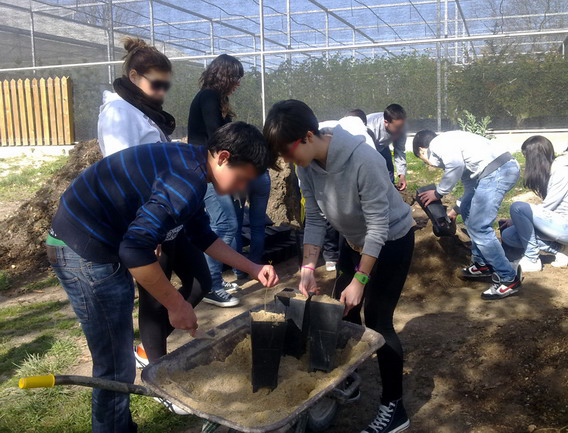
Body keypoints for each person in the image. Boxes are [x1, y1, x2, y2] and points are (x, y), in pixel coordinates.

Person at [47, 121, 279, 433]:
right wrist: (175, 304)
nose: (241, 189)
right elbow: (134, 250)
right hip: (82, 248)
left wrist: (251, 267)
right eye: (241, 179)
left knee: (117, 361)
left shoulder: (195, 166)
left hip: (100, 241)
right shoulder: (186, 181)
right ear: (223, 156)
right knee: (114, 366)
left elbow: (201, 235)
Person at [264, 100, 415, 433]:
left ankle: (395, 409)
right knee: (344, 312)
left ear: (307, 136)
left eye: (288, 153)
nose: (288, 163)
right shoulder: (307, 165)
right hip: (353, 241)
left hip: (390, 242)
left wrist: (360, 279)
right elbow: (316, 217)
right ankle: (350, 378)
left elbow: (380, 225)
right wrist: (307, 267)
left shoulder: (365, 160)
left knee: (378, 324)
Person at [96, 38, 212, 389]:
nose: (161, 92)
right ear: (134, 76)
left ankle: (150, 350)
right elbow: (123, 174)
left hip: (170, 221)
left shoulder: (142, 111)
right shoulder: (118, 114)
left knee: (200, 282)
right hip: (146, 224)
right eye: (155, 84)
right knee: (153, 297)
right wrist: (145, 231)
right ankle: (161, 376)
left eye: (166, 85)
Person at [413, 129, 522, 300]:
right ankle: (482, 265)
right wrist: (455, 210)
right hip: (496, 170)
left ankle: (508, 279)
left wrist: (438, 193)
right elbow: (470, 187)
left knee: (480, 226)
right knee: (468, 210)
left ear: (422, 149)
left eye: (424, 160)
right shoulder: (455, 145)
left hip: (498, 172)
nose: (429, 164)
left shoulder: (438, 143)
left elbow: (454, 166)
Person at [188, 54, 244, 307]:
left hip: (213, 170)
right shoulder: (209, 97)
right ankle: (210, 285)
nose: (238, 83)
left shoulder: (215, 98)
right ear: (224, 75)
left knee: (222, 224)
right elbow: (217, 136)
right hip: (207, 172)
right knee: (225, 224)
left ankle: (213, 280)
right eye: (236, 78)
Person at [501, 136, 568, 271]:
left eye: (526, 156)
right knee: (508, 235)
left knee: (518, 208)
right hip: (556, 226)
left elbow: (549, 206)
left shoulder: (562, 170)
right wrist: (517, 222)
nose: (526, 161)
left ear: (534, 156)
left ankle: (532, 259)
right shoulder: (549, 172)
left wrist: (517, 219)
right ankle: (560, 250)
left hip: (564, 226)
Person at [367, 104, 408, 191]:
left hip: (383, 146)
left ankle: (390, 191)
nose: (401, 130)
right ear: (386, 122)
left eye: (402, 126)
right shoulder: (370, 127)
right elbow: (369, 158)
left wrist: (402, 175)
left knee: (388, 169)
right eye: (397, 127)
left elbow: (399, 151)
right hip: (366, 148)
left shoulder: (401, 128)